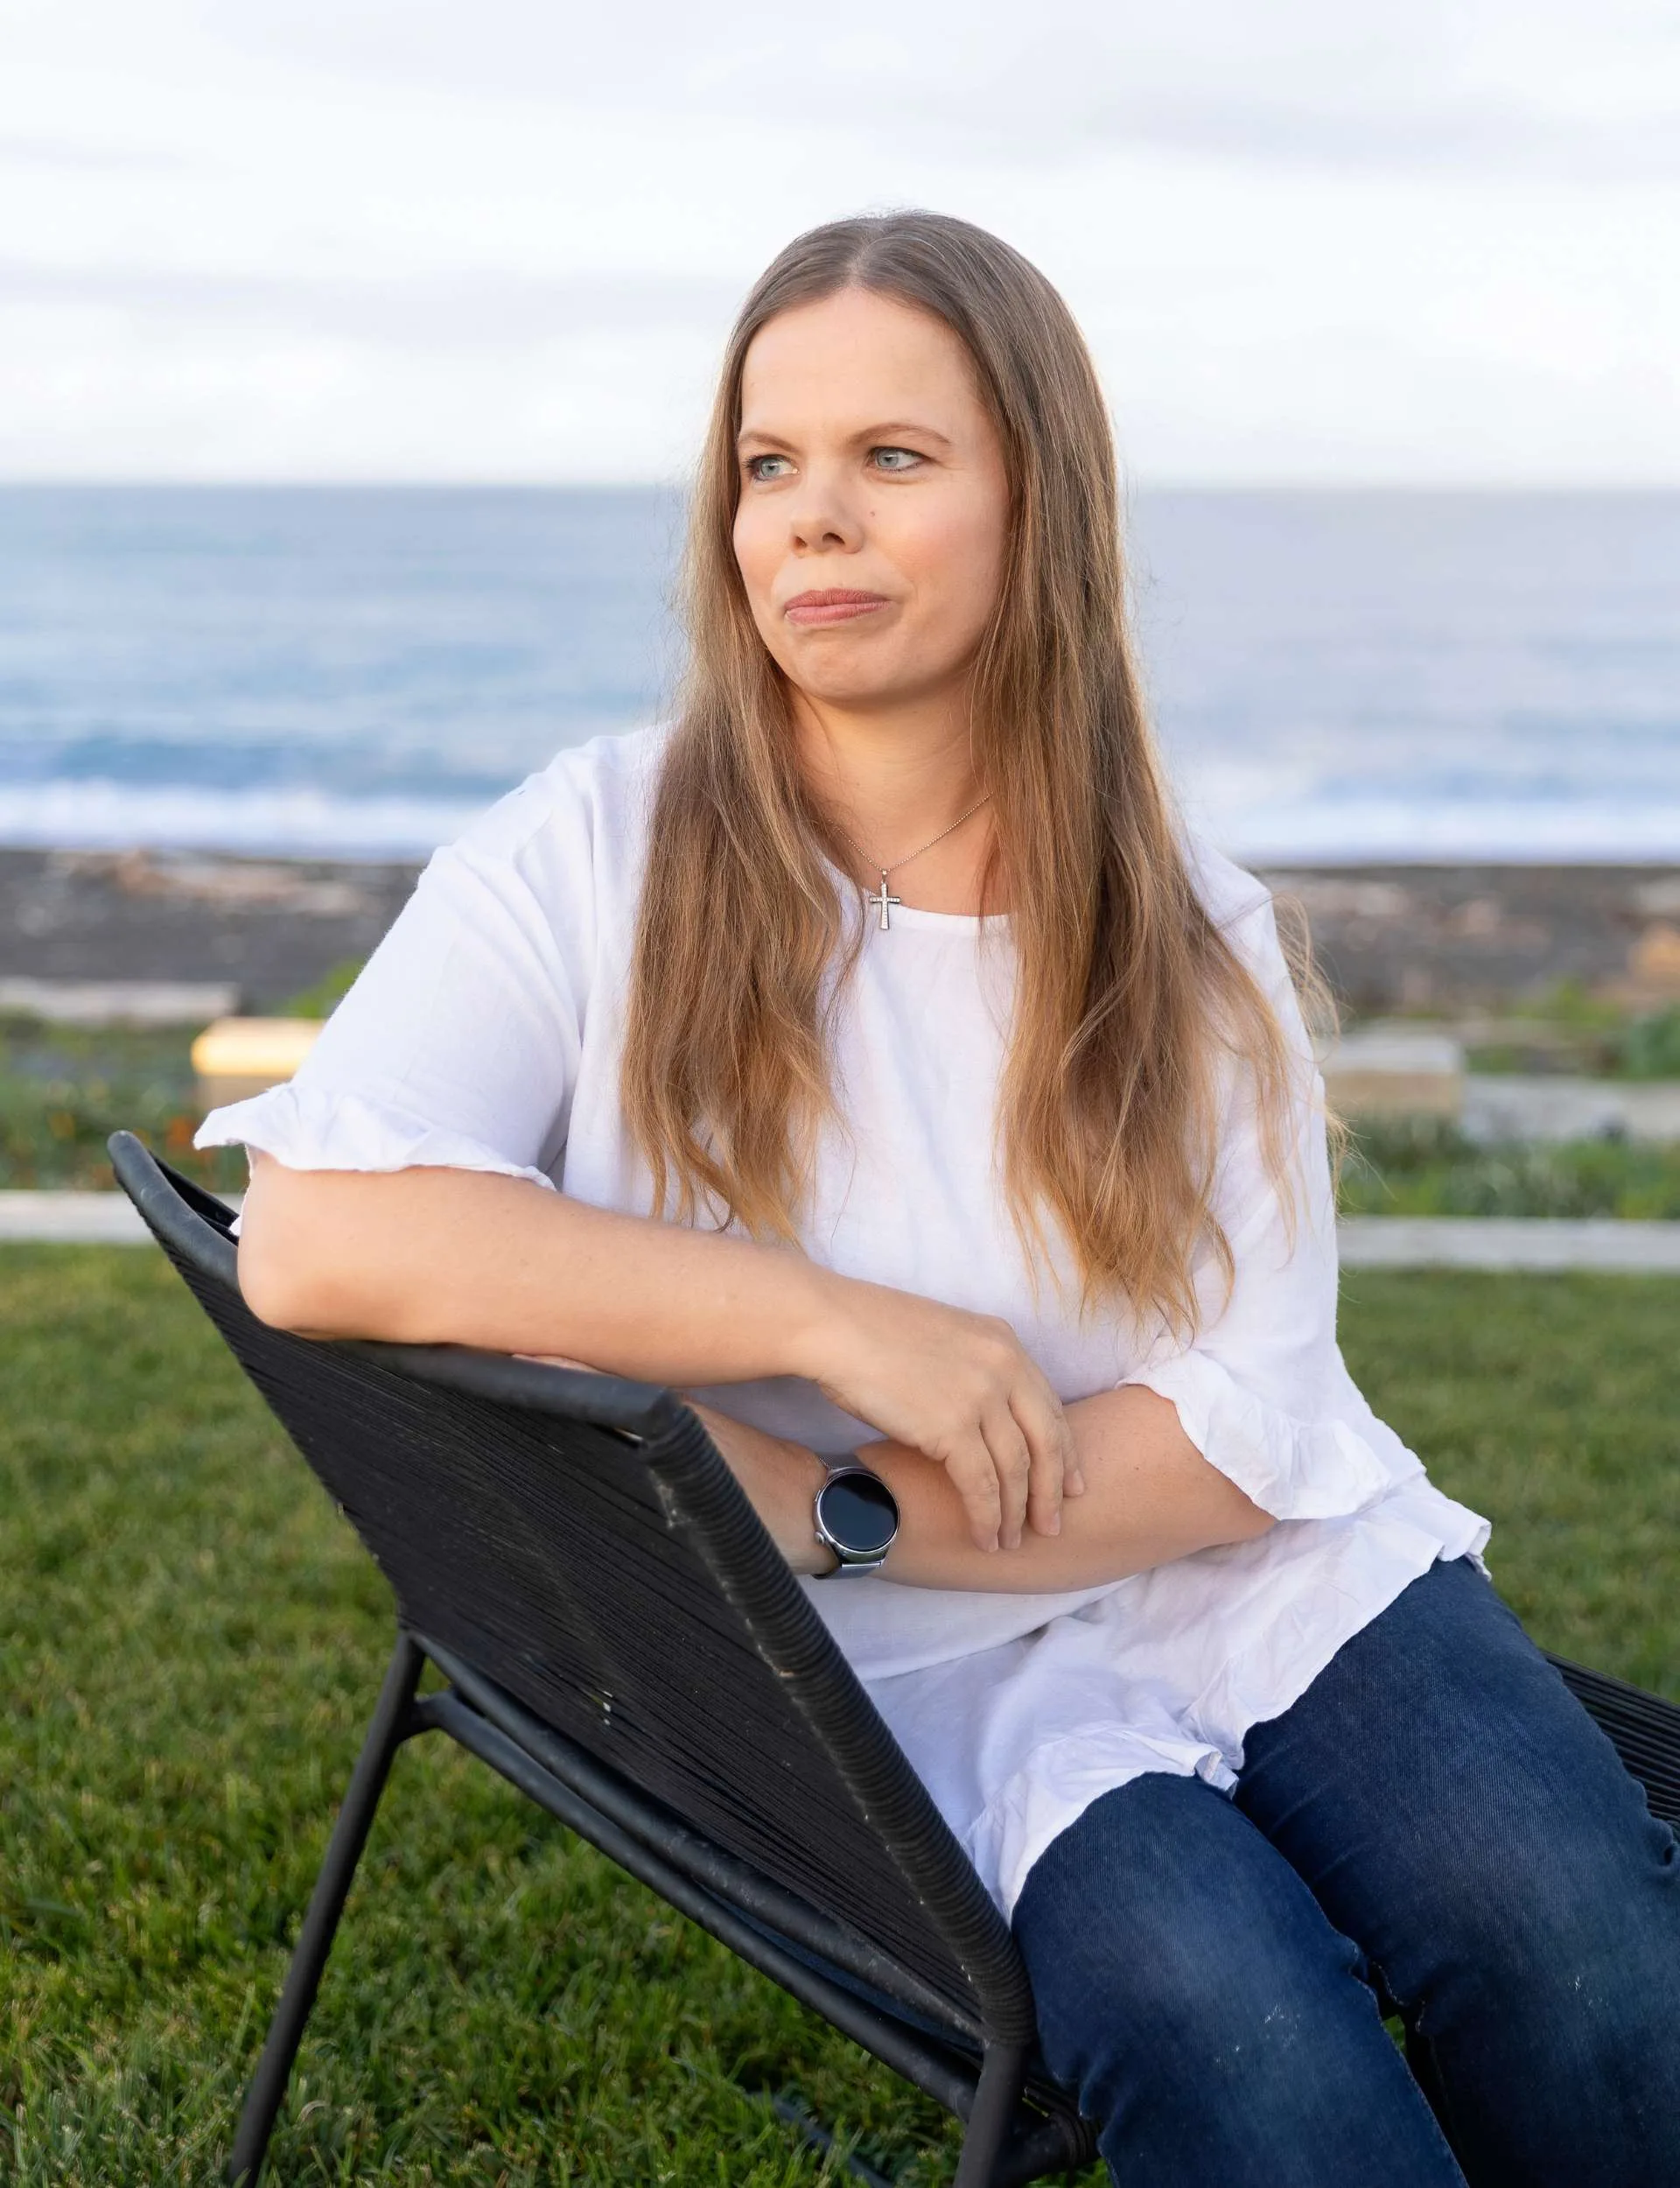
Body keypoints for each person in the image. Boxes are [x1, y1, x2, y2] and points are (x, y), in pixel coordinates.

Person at [200, 212, 1680, 2186]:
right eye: (768, 464)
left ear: (1035, 505)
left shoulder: (1189, 933)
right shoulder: (594, 847)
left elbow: (1239, 1442)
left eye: (893, 459)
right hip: (920, 1673)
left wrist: (838, 1496)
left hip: (1249, 1567)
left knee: (1581, 1942)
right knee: (1231, 2024)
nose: (813, 518)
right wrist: (828, 1327)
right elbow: (317, 1224)